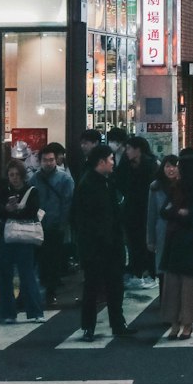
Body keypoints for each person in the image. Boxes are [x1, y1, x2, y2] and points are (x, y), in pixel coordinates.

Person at [71, 144, 135, 340]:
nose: (113, 163)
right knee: (92, 287)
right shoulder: (88, 184)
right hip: (95, 247)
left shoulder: (109, 181)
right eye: (110, 160)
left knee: (115, 286)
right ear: (101, 162)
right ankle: (88, 327)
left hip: (112, 244)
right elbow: (81, 219)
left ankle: (118, 323)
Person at [159, 153, 193, 339]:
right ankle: (173, 322)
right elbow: (164, 211)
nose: (176, 169)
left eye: (179, 166)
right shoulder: (174, 188)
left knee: (189, 285)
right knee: (172, 284)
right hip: (175, 241)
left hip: (190, 242)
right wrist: (179, 212)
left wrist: (177, 212)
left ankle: (187, 323)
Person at [0, 158, 45, 322]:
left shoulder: (31, 191)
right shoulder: (3, 191)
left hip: (24, 238)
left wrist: (12, 211)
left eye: (16, 174)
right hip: (6, 237)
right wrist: (7, 209)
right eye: (11, 175)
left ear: (22, 175)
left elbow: (32, 211)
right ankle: (8, 313)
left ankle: (35, 311)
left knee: (27, 274)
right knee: (5, 275)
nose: (14, 178)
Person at [32, 144, 74, 306]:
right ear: (40, 161)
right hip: (38, 226)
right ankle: (42, 289)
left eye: (51, 160)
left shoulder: (65, 179)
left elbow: (68, 203)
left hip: (56, 225)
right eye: (45, 160)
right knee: (39, 259)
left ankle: (51, 292)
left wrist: (63, 224)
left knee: (53, 259)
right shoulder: (35, 178)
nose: (48, 163)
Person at [116, 136, 159, 287]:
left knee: (146, 241)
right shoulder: (125, 163)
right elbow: (119, 181)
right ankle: (136, 270)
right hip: (130, 209)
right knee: (133, 242)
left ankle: (149, 271)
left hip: (146, 209)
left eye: (129, 148)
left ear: (138, 149)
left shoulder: (151, 164)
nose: (126, 151)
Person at [147, 155, 179, 287]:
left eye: (174, 166)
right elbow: (151, 214)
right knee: (162, 269)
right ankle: (164, 302)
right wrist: (150, 239)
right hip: (161, 231)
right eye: (167, 166)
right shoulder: (155, 186)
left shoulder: (183, 185)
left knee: (176, 269)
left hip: (178, 231)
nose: (171, 169)